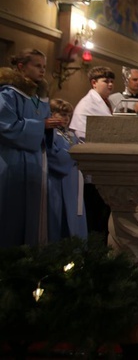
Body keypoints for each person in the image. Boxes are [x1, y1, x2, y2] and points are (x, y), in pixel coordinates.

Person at [0, 49, 63, 247]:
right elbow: (6, 126)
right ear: (21, 67)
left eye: (44, 66)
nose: (42, 71)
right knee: (11, 214)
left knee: (33, 216)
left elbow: (42, 120)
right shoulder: (8, 94)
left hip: (36, 161)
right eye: (37, 66)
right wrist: (41, 125)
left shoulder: (37, 97)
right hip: (12, 162)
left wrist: (51, 124)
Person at [70, 66, 116, 237]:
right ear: (94, 83)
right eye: (106, 81)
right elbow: (82, 133)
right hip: (92, 166)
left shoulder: (106, 101)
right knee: (94, 213)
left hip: (104, 165)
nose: (110, 85)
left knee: (102, 213)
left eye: (112, 81)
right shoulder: (88, 104)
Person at [47, 98, 87, 241]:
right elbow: (54, 158)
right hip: (59, 182)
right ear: (51, 115)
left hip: (74, 182)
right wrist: (76, 157)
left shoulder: (71, 135)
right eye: (62, 114)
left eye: (68, 115)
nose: (66, 118)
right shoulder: (51, 135)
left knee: (76, 217)